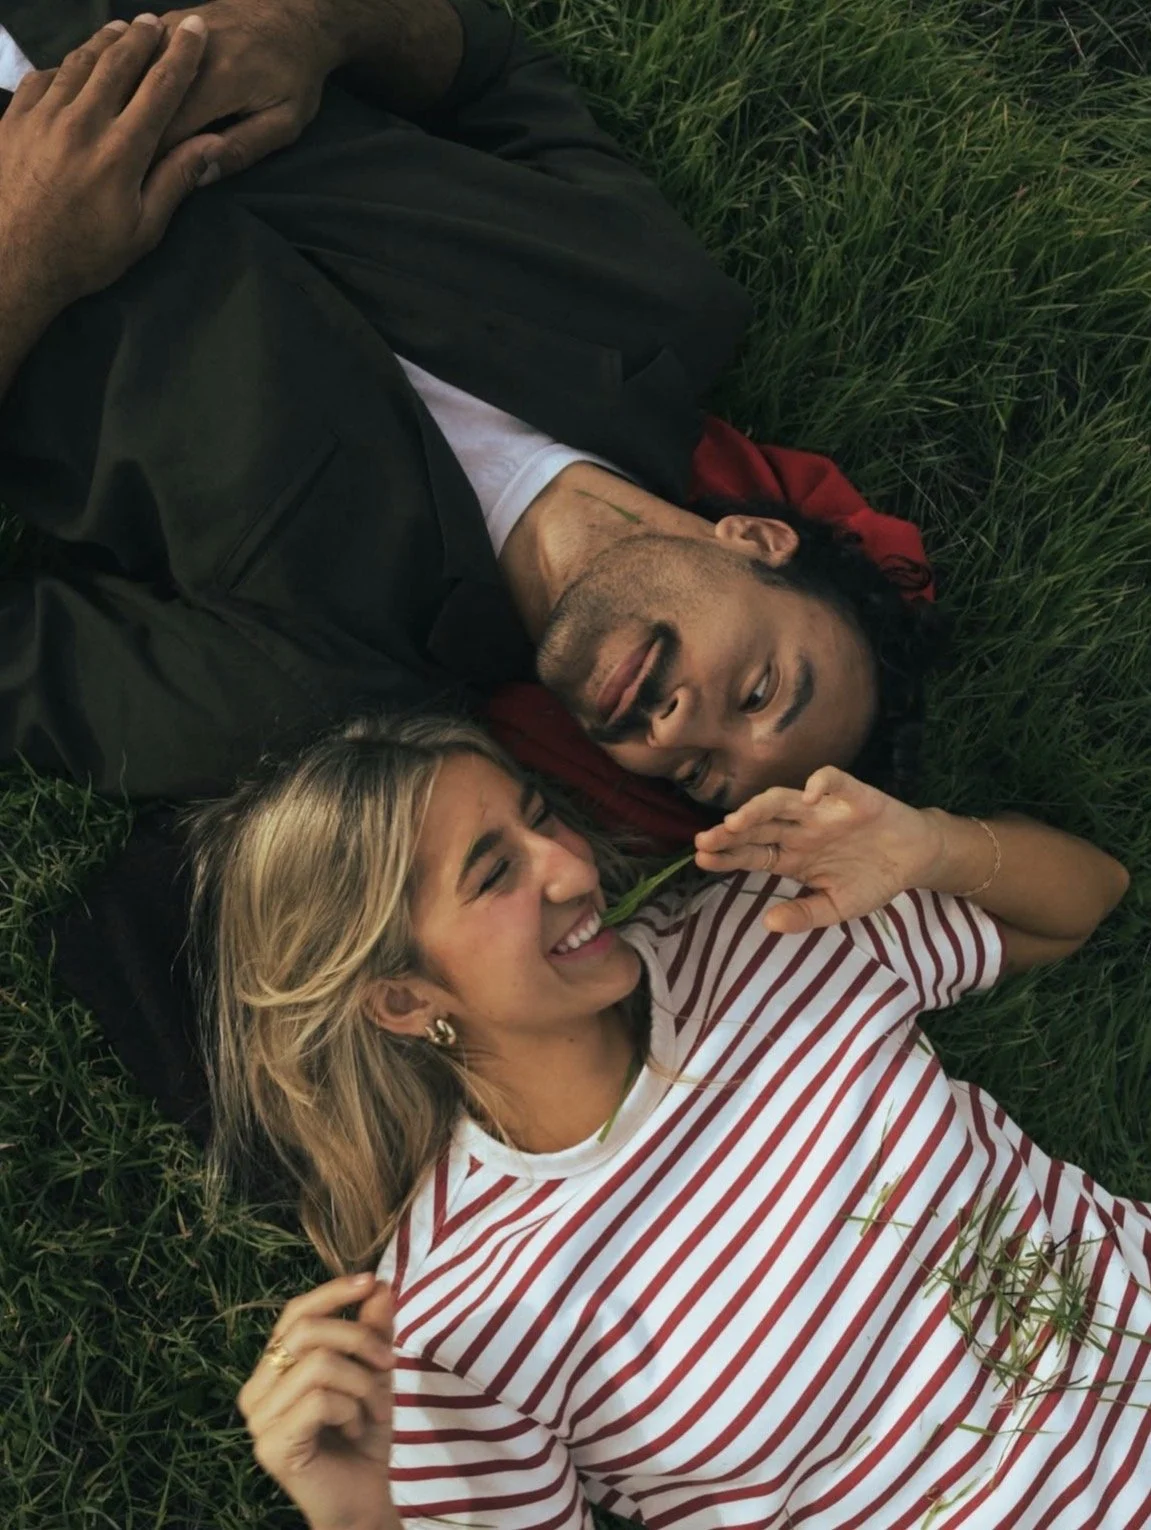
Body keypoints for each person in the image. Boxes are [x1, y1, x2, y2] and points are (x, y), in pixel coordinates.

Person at [193, 713, 1145, 1529]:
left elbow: (1077, 902)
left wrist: (924, 845)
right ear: (401, 999)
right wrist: (362, 1522)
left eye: (538, 817)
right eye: (494, 875)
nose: (568, 866)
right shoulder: (451, 1318)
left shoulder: (766, 935)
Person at [0, 0, 935, 810]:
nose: (681, 731)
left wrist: (26, 256)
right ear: (757, 541)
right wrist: (315, 25)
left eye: (695, 778)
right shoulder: (659, 304)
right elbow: (490, 71)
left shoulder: (313, 686)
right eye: (762, 692)